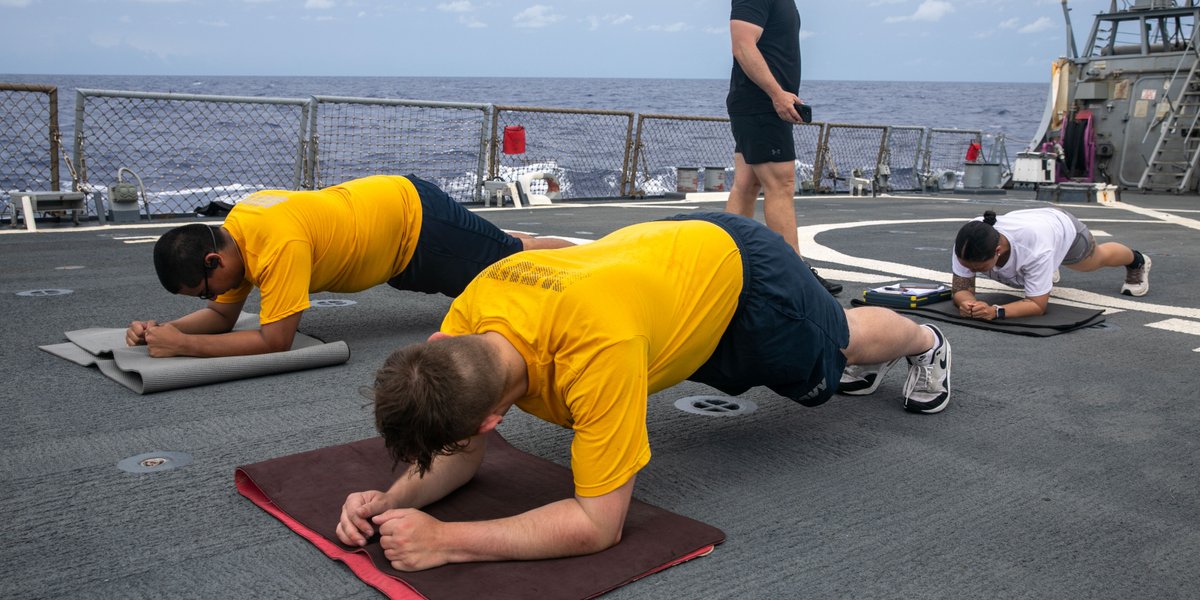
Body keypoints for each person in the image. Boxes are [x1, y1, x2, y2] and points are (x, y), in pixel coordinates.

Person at [334, 212, 951, 571]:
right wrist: (391, 500)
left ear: (492, 421)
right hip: (660, 271)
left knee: (836, 345)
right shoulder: (470, 316)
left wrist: (448, 541)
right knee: (813, 353)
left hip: (743, 281)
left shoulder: (596, 358)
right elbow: (457, 451)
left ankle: (925, 341)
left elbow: (596, 525)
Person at [124, 175, 571, 358]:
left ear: (212, 260)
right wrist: (163, 329)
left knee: (510, 264)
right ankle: (573, 253)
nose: (212, 297)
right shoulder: (238, 229)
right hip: (398, 237)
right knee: (506, 249)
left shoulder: (278, 243)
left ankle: (590, 260)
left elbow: (275, 339)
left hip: (418, 228)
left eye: (203, 289)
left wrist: (186, 345)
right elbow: (223, 316)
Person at [724, 0, 841, 296]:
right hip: (763, 105)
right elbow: (742, 46)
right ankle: (794, 275)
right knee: (781, 183)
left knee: (746, 184)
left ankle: (728, 266)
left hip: (759, 105)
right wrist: (777, 95)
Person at [951, 208, 1151, 321]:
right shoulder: (968, 242)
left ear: (997, 251)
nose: (971, 271)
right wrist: (968, 304)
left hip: (1064, 230)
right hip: (1034, 228)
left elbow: (1037, 305)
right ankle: (1044, 271)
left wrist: (996, 311)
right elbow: (962, 288)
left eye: (978, 268)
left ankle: (1137, 260)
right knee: (1034, 269)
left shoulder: (1036, 248)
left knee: (1095, 260)